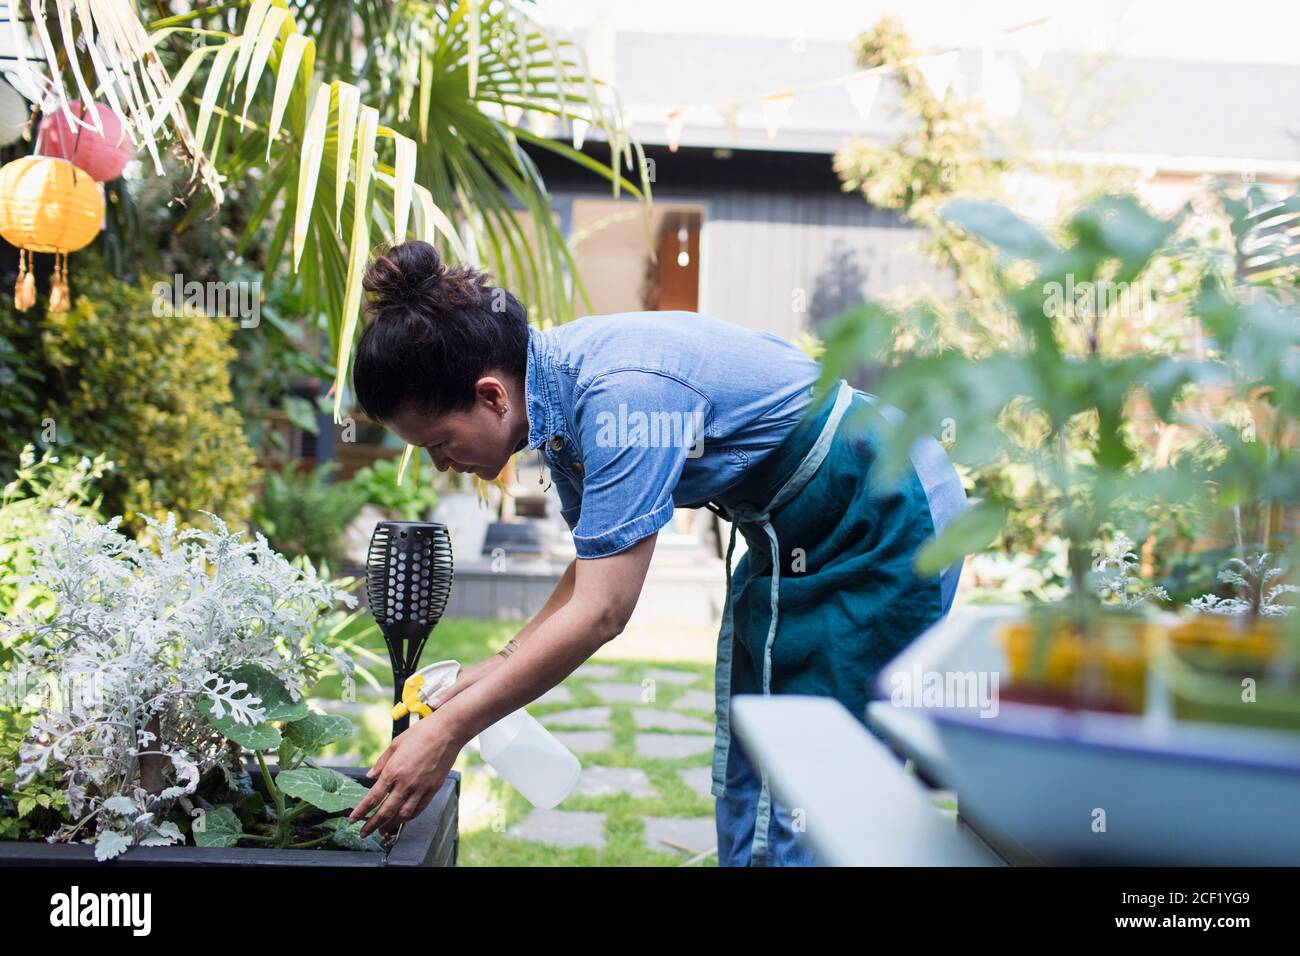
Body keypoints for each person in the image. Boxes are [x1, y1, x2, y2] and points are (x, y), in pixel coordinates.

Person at [346, 239, 966, 866]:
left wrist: (450, 731)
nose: (443, 465)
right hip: (797, 531)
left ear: (491, 397)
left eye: (439, 442)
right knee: (757, 747)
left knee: (822, 769)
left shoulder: (620, 394)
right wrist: (500, 662)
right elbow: (594, 566)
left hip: (880, 506)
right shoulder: (557, 396)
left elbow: (603, 612)